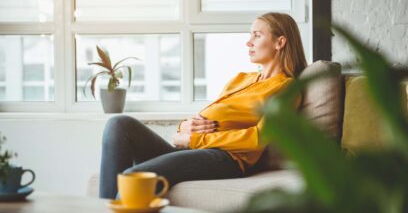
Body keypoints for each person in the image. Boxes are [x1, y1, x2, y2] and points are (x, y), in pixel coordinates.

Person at [99, 12, 307, 199]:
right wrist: (184, 127)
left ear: (280, 42)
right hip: (199, 149)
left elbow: (258, 138)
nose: (248, 42)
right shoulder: (242, 78)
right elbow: (208, 116)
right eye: (250, 35)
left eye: (257, 35)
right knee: (119, 123)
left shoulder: (287, 88)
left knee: (133, 177)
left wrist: (194, 139)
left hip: (227, 158)